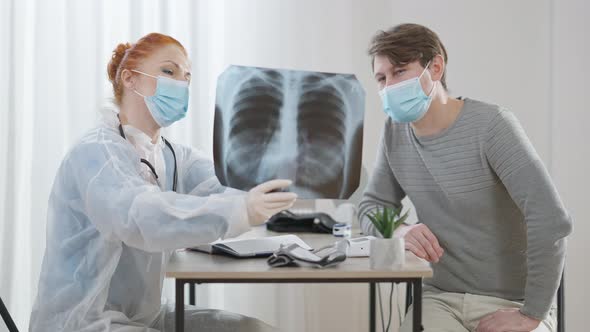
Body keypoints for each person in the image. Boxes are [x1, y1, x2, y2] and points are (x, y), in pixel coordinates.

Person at [29, 32, 296, 332]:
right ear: (130, 79)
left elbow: (220, 184)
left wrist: (273, 175)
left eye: (187, 78)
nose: (180, 85)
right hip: (83, 320)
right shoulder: (96, 153)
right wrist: (240, 210)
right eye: (169, 71)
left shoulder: (171, 155)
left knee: (253, 330)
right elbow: (141, 216)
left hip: (145, 315)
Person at [359, 23, 572, 332]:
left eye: (400, 71)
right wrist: (399, 231)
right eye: (381, 78)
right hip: (439, 299)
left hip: (513, 303)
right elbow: (371, 206)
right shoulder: (394, 133)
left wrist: (531, 314)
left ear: (435, 67)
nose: (389, 86)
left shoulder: (491, 126)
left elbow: (550, 219)